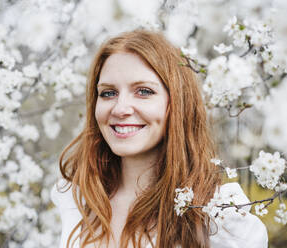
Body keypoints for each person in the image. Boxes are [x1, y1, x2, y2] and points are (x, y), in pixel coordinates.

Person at [51, 29, 268, 248]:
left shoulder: (219, 220)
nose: (120, 108)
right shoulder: (76, 199)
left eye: (143, 91)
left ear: (177, 102)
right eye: (108, 93)